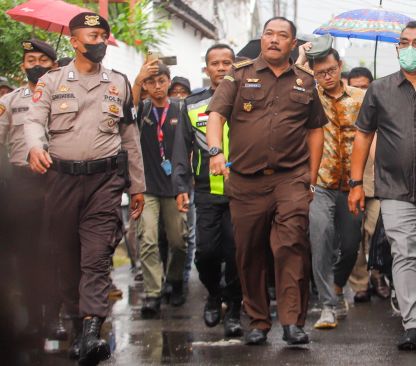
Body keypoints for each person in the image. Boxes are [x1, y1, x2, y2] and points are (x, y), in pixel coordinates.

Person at [23, 12, 145, 365]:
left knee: (96, 255)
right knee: (66, 256)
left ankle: (92, 330)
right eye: (90, 36)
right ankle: (78, 325)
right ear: (74, 42)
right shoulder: (50, 82)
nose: (98, 41)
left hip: (104, 182)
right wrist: (35, 147)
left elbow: (130, 138)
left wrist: (137, 185)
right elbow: (33, 121)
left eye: (102, 35)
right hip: (60, 179)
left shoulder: (119, 84)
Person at [205, 17, 326, 346]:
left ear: (293, 43)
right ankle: (258, 320)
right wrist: (215, 151)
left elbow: (316, 130)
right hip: (245, 182)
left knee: (291, 247)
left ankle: (291, 322)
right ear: (261, 38)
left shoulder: (305, 81)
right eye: (268, 34)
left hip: (291, 179)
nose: (273, 40)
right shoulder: (238, 75)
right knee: (249, 252)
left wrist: (310, 178)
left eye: (281, 36)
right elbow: (216, 114)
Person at [349, 21, 416, 351]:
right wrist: (355, 182)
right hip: (392, 188)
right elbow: (363, 136)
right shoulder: (379, 90)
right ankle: (413, 322)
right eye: (404, 42)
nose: (409, 48)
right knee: (405, 251)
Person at [172, 43, 243, 337]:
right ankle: (214, 294)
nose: (222, 67)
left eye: (228, 62)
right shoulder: (191, 104)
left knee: (237, 252)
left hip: (243, 192)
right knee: (206, 253)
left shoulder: (248, 101)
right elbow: (180, 151)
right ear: (207, 69)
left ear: (235, 66)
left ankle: (235, 307)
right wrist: (180, 186)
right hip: (206, 191)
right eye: (216, 63)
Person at [0, 38, 67, 344]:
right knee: (26, 252)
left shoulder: (63, 98)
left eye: (42, 59)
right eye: (30, 60)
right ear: (22, 66)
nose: (35, 65)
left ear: (53, 65)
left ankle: (54, 318)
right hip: (21, 182)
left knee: (54, 249)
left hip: (55, 179)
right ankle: (32, 318)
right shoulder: (11, 101)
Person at [302, 46, 365, 328]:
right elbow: (294, 78)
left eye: (330, 70)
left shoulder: (362, 97)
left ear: (340, 66)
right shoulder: (310, 96)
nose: (326, 77)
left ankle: (339, 286)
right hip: (320, 183)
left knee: (351, 246)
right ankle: (327, 305)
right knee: (321, 238)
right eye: (319, 73)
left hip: (352, 184)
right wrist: (302, 60)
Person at [131, 61, 188, 317]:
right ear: (145, 85)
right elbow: (123, 111)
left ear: (169, 81)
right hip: (147, 188)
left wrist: (186, 184)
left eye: (161, 81)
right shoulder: (141, 110)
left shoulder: (180, 108)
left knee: (178, 241)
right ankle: (153, 292)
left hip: (175, 187)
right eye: (151, 82)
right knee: (149, 240)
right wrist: (136, 80)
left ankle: (175, 280)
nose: (157, 87)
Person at [341, 66, 388, 302]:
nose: (361, 91)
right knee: (353, 239)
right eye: (355, 87)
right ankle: (360, 284)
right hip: (350, 184)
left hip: (378, 183)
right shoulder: (341, 110)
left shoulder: (384, 107)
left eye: (365, 87)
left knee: (379, 233)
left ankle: (379, 275)